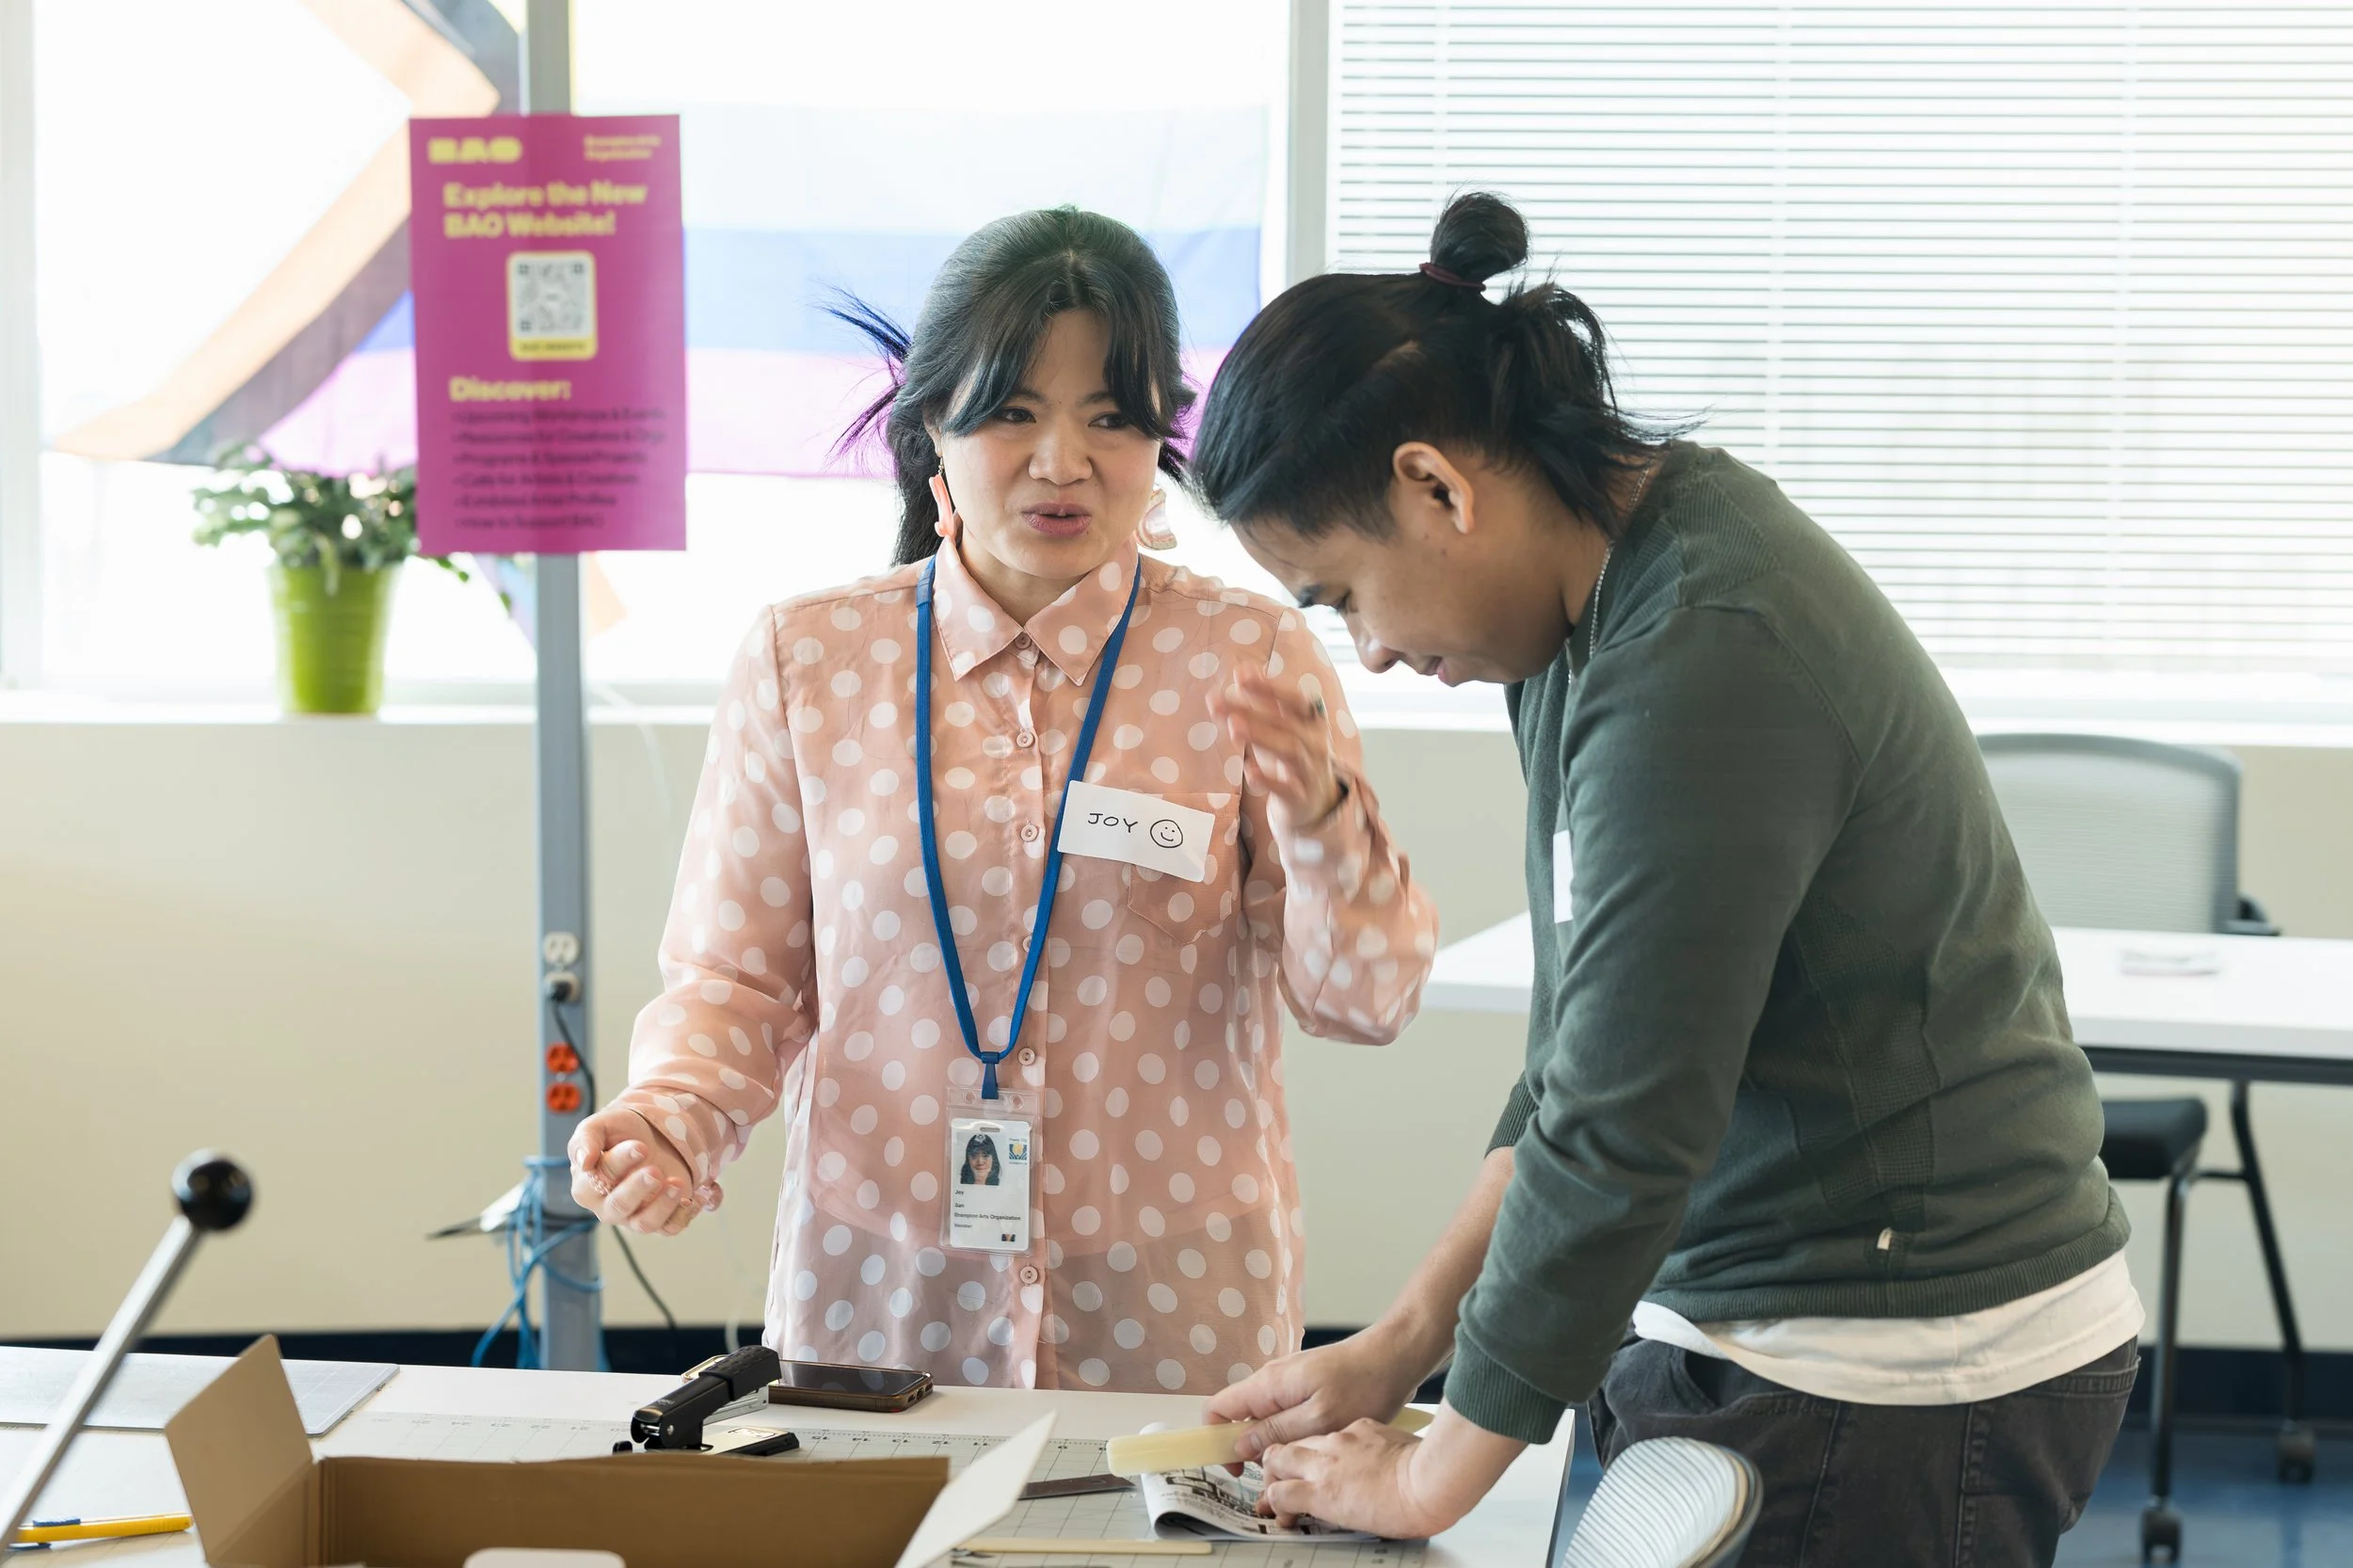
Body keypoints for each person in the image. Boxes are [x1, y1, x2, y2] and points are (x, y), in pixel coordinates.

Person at [1186, 193, 2140, 1565]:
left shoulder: (1703, 649)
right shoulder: (1580, 614)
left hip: (1897, 1357)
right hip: (1768, 1320)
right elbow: (1587, 1050)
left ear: (1438, 488)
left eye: (1340, 595)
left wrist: (1428, 1479)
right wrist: (1404, 1342)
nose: (1373, 653)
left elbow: (1628, 1123)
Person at [567, 207, 1439, 1394]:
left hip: (1171, 1300)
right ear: (933, 423)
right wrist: (674, 1119)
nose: (1063, 462)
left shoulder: (1250, 655)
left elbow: (1363, 1002)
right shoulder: (808, 661)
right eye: (1016, 412)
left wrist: (1331, 829)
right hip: (881, 1291)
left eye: (1112, 418)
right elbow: (739, 978)